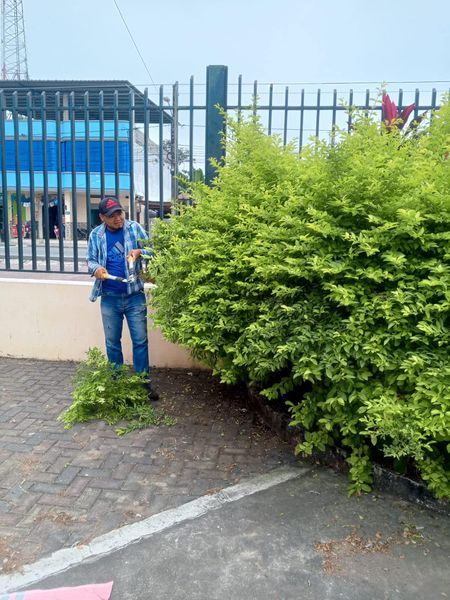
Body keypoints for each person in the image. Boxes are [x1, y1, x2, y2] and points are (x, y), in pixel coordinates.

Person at [87, 195, 158, 401]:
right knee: (112, 343)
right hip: (109, 297)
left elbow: (154, 250)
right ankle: (117, 385)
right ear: (102, 217)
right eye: (112, 215)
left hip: (134, 296)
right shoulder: (96, 235)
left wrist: (140, 252)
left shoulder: (134, 228)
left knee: (140, 341)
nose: (118, 218)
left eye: (119, 213)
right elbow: (90, 260)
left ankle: (143, 383)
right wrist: (96, 269)